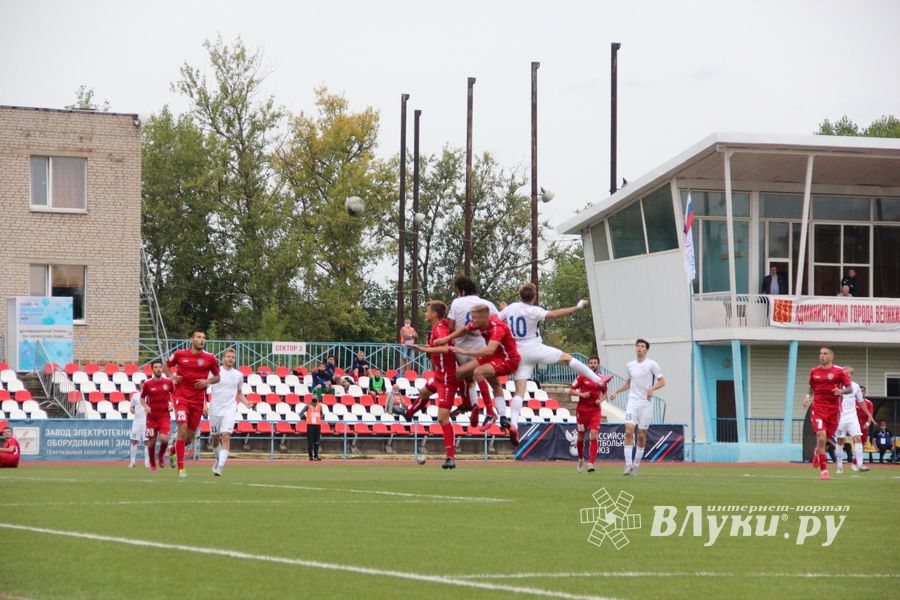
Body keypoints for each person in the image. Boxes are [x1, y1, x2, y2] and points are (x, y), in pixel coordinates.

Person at [499, 283, 609, 447]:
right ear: (534, 297)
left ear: (520, 295)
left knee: (519, 392)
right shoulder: (534, 310)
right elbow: (554, 314)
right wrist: (576, 307)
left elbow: (496, 318)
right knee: (567, 358)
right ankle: (597, 379)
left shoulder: (511, 308)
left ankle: (514, 423)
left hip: (518, 353)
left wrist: (506, 310)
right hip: (535, 348)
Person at [445, 304, 521, 441]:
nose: (472, 320)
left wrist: (465, 352)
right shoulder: (481, 323)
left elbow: (489, 350)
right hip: (494, 357)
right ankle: (502, 417)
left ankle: (491, 413)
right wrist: (446, 339)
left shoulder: (497, 327)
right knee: (460, 373)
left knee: (479, 373)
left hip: (508, 359)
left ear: (484, 318)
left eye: (474, 318)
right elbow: (463, 329)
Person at [442, 275, 500, 427]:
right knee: (488, 379)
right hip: (480, 347)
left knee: (469, 379)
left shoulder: (457, 302)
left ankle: (473, 404)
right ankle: (490, 411)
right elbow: (498, 324)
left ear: (461, 291)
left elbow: (451, 326)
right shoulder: (487, 304)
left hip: (460, 349)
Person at [163, 329, 220, 478]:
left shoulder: (210, 358)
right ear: (191, 340)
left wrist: (207, 381)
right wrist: (171, 376)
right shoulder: (180, 354)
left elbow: (217, 376)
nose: (202, 340)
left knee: (189, 437)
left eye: (204, 338)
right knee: (182, 429)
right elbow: (166, 365)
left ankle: (173, 451)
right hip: (181, 397)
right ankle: (181, 469)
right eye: (199, 337)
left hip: (197, 400)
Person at [401, 301, 458, 451]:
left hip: (447, 378)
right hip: (439, 375)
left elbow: (446, 349)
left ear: (434, 314)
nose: (425, 313)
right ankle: (409, 413)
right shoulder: (436, 329)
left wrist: (422, 349)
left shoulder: (439, 330)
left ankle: (450, 457)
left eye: (427, 311)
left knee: (442, 418)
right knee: (423, 392)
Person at [610, 339, 666, 476]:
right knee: (628, 431)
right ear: (635, 348)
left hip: (646, 403)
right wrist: (616, 391)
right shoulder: (630, 365)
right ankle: (628, 465)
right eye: (638, 346)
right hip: (632, 402)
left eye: (642, 346)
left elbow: (662, 382)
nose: (640, 348)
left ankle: (636, 465)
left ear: (646, 350)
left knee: (641, 435)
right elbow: (628, 383)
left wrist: (652, 388)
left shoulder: (652, 364)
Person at [802, 347, 852, 480]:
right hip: (818, 408)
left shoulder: (839, 371)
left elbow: (850, 388)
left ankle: (817, 450)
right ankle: (824, 471)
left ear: (831, 357)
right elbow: (812, 386)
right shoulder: (814, 371)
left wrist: (841, 391)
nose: (822, 356)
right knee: (822, 437)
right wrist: (807, 396)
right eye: (820, 354)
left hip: (834, 410)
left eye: (825, 354)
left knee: (826, 440)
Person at [208, 347, 251, 477]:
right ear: (223, 358)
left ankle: (220, 467)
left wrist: (246, 403)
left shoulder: (238, 375)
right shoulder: (215, 372)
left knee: (226, 436)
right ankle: (218, 459)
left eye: (233, 357)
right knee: (215, 439)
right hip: (215, 409)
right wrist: (204, 404)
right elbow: (204, 387)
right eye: (228, 357)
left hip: (230, 409)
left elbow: (239, 392)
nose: (231, 359)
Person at [833, 367, 875, 473]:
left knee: (858, 438)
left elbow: (861, 402)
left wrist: (869, 414)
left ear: (852, 375)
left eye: (849, 373)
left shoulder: (855, 386)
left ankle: (859, 464)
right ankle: (839, 466)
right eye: (845, 373)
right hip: (840, 417)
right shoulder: (836, 385)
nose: (847, 375)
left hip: (852, 417)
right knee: (840, 441)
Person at [570, 356, 607, 473]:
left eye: (595, 363)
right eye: (591, 363)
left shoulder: (601, 379)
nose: (593, 365)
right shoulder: (581, 376)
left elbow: (605, 393)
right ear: (588, 364)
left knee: (594, 434)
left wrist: (600, 401)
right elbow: (571, 389)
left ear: (598, 365)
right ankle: (581, 458)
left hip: (595, 410)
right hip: (582, 411)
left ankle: (591, 463)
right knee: (581, 436)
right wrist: (581, 394)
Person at [142, 359, 173, 472]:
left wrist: (172, 404)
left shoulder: (168, 383)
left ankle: (160, 455)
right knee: (152, 442)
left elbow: (174, 394)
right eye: (156, 367)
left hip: (164, 416)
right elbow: (142, 398)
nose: (158, 369)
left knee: (164, 439)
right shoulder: (147, 384)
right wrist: (146, 406)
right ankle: (152, 462)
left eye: (160, 367)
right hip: (151, 418)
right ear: (152, 369)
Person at [128, 385, 150, 469]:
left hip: (146, 421)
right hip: (136, 421)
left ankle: (146, 463)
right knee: (134, 441)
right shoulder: (135, 396)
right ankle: (132, 462)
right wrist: (132, 410)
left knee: (147, 442)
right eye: (143, 385)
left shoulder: (150, 396)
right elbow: (131, 408)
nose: (144, 387)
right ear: (140, 387)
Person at [298, 396, 323, 461]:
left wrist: (320, 417)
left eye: (316, 399)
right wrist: (305, 418)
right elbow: (300, 413)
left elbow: (321, 415)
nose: (315, 400)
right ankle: (310, 456)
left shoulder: (320, 406)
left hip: (317, 425)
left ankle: (316, 456)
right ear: (311, 399)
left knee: (317, 441)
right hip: (310, 425)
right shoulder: (307, 406)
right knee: (310, 441)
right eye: (313, 399)